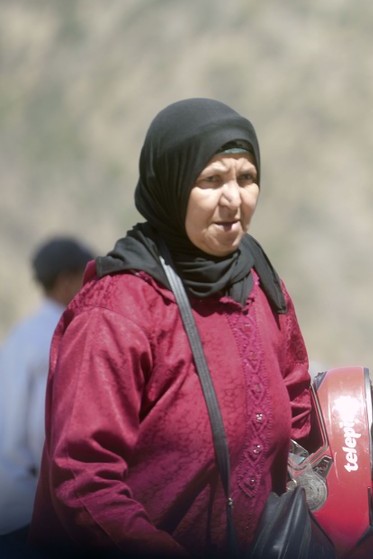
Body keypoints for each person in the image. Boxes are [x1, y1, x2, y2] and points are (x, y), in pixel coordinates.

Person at [29, 98, 320, 558]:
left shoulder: (260, 283)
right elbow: (83, 478)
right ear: (171, 184)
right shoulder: (118, 309)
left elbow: (299, 408)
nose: (234, 199)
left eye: (246, 178)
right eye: (211, 180)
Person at [0, 237, 94, 552]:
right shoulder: (58, 338)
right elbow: (43, 433)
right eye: (85, 277)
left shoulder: (22, 333)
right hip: (31, 507)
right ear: (67, 280)